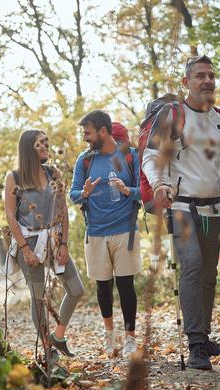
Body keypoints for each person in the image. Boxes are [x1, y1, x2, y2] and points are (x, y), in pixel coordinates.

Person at [142, 55, 220, 371]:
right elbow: (151, 156)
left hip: (214, 208)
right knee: (193, 267)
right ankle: (196, 344)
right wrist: (158, 185)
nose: (207, 81)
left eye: (211, 75)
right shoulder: (173, 114)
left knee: (209, 274)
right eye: (200, 76)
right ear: (186, 82)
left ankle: (204, 336)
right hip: (181, 206)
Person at [4, 129, 84, 359]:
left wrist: (64, 244)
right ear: (30, 148)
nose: (47, 146)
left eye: (47, 143)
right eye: (41, 143)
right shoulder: (14, 177)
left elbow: (62, 210)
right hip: (29, 242)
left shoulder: (54, 173)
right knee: (38, 297)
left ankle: (58, 337)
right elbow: (11, 217)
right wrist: (24, 248)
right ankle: (48, 348)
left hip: (54, 241)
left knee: (76, 290)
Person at [70, 111, 142, 357]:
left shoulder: (130, 156)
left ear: (103, 131)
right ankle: (109, 335)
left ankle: (130, 339)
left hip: (125, 229)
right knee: (103, 287)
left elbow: (145, 190)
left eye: (87, 133)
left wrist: (127, 190)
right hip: (96, 231)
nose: (84, 138)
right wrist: (85, 193)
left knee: (126, 286)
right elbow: (73, 194)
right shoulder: (85, 160)